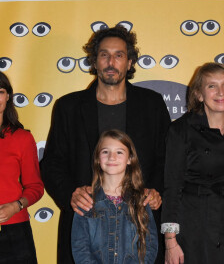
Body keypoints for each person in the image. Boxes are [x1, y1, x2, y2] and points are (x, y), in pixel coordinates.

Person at [41, 25, 170, 264]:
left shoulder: (151, 104)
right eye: (104, 54)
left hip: (138, 226)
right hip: (85, 228)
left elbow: (167, 159)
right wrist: (71, 192)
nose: (111, 62)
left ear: (130, 62)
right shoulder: (68, 107)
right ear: (94, 61)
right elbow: (52, 163)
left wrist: (155, 191)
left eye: (119, 55)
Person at [161, 62, 224, 264]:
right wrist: (170, 242)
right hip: (198, 227)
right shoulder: (181, 129)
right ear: (198, 94)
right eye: (212, 86)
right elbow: (172, 186)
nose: (221, 92)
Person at [71, 129, 158, 264]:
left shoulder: (141, 200)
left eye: (119, 152)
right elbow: (80, 248)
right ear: (98, 159)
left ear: (130, 159)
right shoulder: (86, 201)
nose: (112, 157)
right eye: (105, 152)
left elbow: (150, 246)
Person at [0, 71, 44, 264]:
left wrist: (16, 206)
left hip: (15, 232)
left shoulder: (23, 138)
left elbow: (35, 187)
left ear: (8, 96)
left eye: (0, 92)